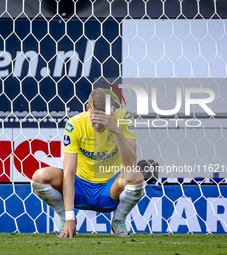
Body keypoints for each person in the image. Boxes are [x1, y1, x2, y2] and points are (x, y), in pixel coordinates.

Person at [31, 88, 145, 238]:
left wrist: (116, 130)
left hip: (109, 189)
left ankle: (118, 220)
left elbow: (131, 164)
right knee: (40, 177)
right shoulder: (74, 124)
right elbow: (69, 172)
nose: (97, 125)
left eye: (102, 119)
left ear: (113, 111)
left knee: (136, 177)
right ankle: (64, 218)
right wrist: (70, 216)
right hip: (80, 188)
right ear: (87, 108)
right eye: (93, 118)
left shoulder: (124, 118)